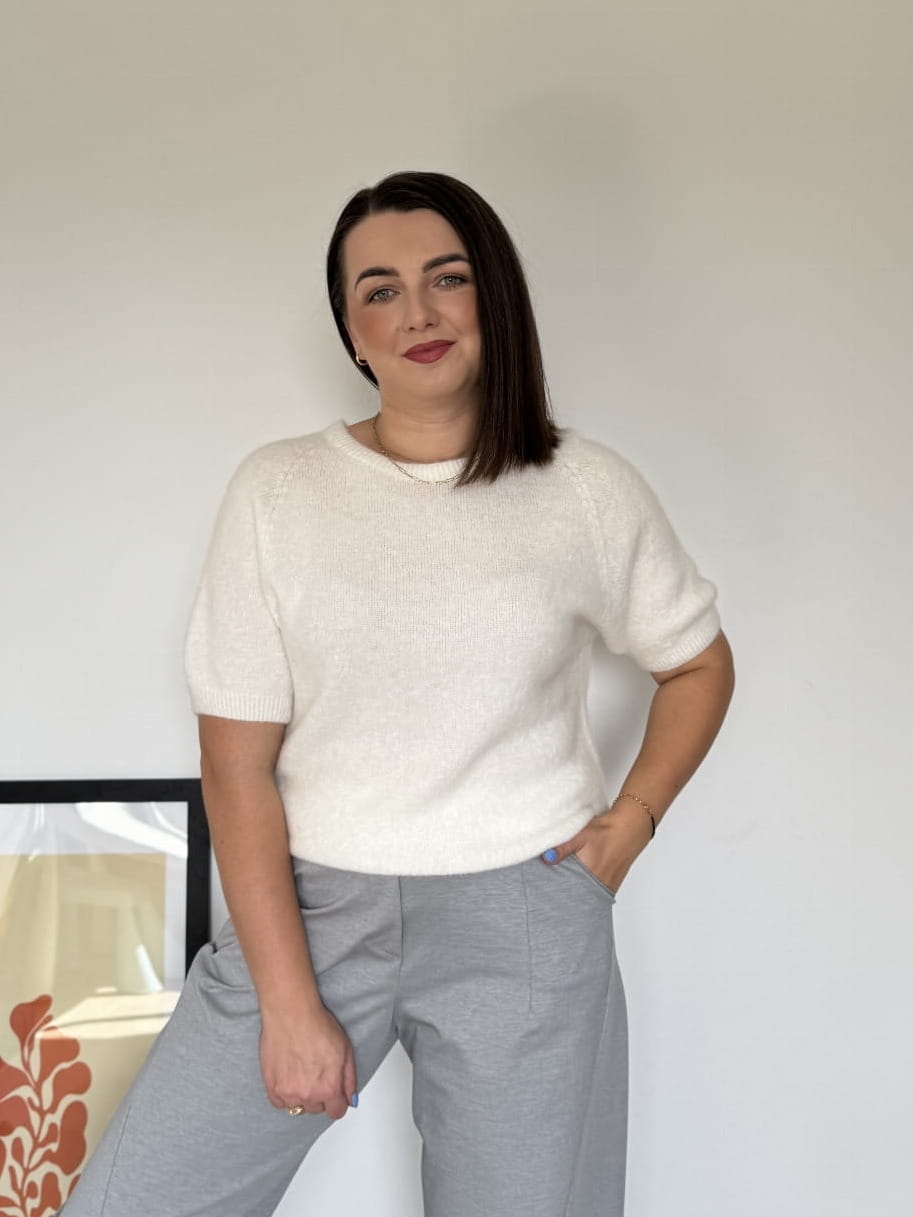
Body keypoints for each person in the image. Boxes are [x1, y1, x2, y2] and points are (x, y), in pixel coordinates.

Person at [60, 171, 734, 1217]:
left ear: (492, 296)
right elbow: (235, 762)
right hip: (312, 909)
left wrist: (626, 826)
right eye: (380, 290)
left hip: (526, 914)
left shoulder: (585, 490)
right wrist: (288, 1003)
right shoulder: (278, 491)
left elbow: (696, 662)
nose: (417, 312)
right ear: (351, 330)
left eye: (446, 278)